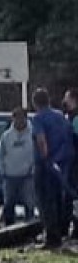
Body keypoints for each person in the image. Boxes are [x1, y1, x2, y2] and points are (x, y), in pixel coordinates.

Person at [32, 88, 74, 248]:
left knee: (44, 201)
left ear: (35, 103)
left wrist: (45, 158)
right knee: (57, 200)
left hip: (46, 164)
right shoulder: (60, 116)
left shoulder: (38, 118)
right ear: (48, 100)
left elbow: (41, 140)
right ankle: (60, 233)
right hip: (62, 163)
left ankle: (51, 238)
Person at [0, 107, 35, 226]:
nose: (19, 121)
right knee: (9, 203)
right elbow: (0, 154)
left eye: (21, 118)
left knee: (29, 203)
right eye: (16, 118)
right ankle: (8, 228)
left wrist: (33, 169)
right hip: (10, 176)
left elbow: (38, 152)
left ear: (25, 118)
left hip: (28, 176)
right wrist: (2, 170)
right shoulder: (6, 136)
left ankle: (30, 227)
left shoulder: (33, 133)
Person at [62, 89, 78, 237]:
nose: (64, 101)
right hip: (70, 161)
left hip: (74, 162)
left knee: (73, 194)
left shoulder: (75, 118)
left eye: (67, 98)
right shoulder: (69, 117)